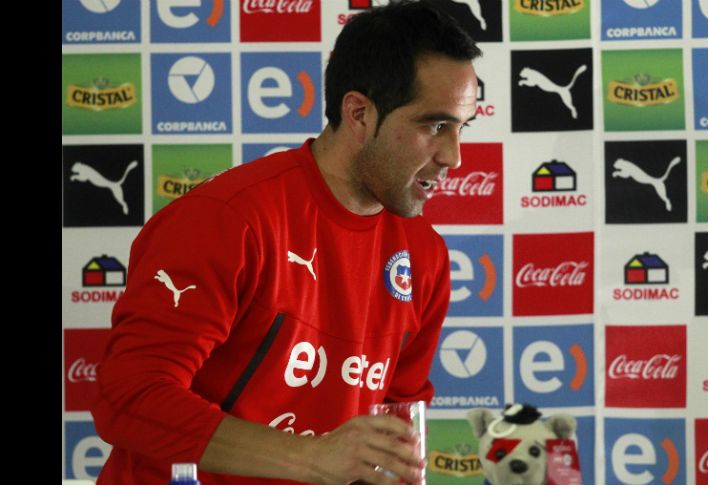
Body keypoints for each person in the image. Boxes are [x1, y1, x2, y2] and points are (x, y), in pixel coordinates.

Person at [91, 1, 481, 483]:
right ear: (359, 113)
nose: (454, 156)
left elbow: (395, 425)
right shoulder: (228, 219)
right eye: (435, 126)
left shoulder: (424, 255)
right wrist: (311, 457)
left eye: (462, 127)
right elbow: (129, 398)